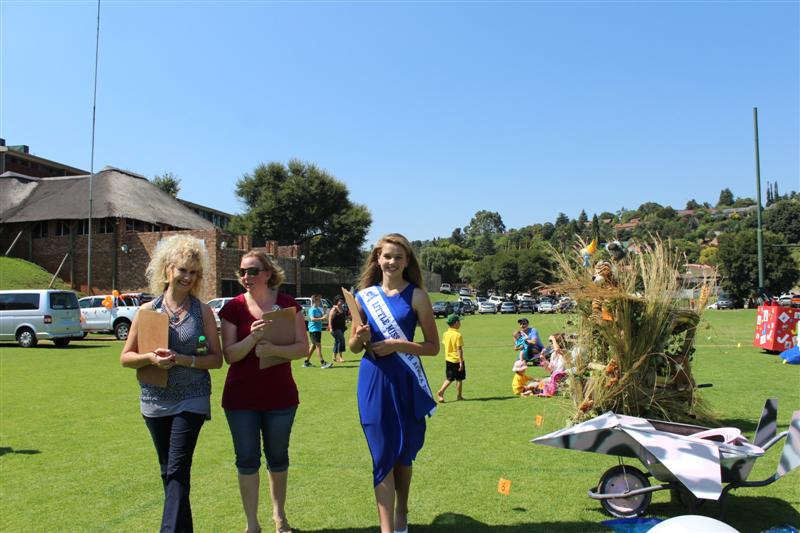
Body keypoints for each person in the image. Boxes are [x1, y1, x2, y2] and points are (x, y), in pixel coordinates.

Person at [120, 234, 223, 533]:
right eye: (182, 270)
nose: (187, 277)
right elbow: (126, 357)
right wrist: (150, 358)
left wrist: (182, 359)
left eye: (193, 272)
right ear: (167, 270)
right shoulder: (147, 311)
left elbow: (216, 359)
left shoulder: (203, 312)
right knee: (169, 471)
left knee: (177, 469)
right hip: (154, 400)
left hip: (192, 398)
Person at [349, 233, 440, 533]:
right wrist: (360, 337)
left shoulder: (417, 296)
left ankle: (403, 509)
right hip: (373, 379)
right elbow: (353, 347)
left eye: (398, 257)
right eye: (387, 256)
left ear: (406, 261)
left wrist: (397, 345)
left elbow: (432, 347)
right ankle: (387, 528)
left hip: (405, 380)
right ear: (377, 259)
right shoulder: (364, 297)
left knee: (403, 453)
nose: (392, 262)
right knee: (381, 453)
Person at [219, 250, 310, 533]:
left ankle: (280, 518)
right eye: (243, 271)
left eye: (253, 271)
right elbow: (229, 355)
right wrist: (253, 337)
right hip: (240, 399)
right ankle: (252, 524)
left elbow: (302, 348)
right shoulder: (233, 308)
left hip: (280, 397)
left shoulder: (288, 305)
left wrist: (273, 350)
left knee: (278, 458)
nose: (247, 276)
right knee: (246, 460)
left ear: (268, 273)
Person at [436, 313, 465, 403]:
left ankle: (459, 396)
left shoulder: (445, 334)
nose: (460, 323)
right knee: (457, 378)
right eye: (459, 321)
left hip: (448, 359)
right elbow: (459, 349)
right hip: (456, 360)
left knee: (452, 378)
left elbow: (445, 344)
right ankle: (441, 392)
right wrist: (461, 362)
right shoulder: (458, 335)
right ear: (456, 323)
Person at [303, 294, 329, 368]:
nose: (320, 301)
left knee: (313, 346)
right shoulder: (312, 309)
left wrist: (324, 311)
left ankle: (306, 362)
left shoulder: (318, 309)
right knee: (318, 346)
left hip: (318, 330)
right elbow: (312, 319)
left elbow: (323, 318)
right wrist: (321, 318)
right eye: (319, 300)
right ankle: (323, 363)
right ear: (315, 300)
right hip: (314, 330)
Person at [328, 296, 347, 363]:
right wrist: (330, 328)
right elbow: (330, 319)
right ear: (336, 301)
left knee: (337, 342)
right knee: (341, 340)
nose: (341, 302)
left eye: (342, 301)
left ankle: (334, 357)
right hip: (335, 328)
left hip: (341, 328)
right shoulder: (334, 309)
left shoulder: (342, 308)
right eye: (340, 301)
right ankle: (340, 357)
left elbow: (343, 317)